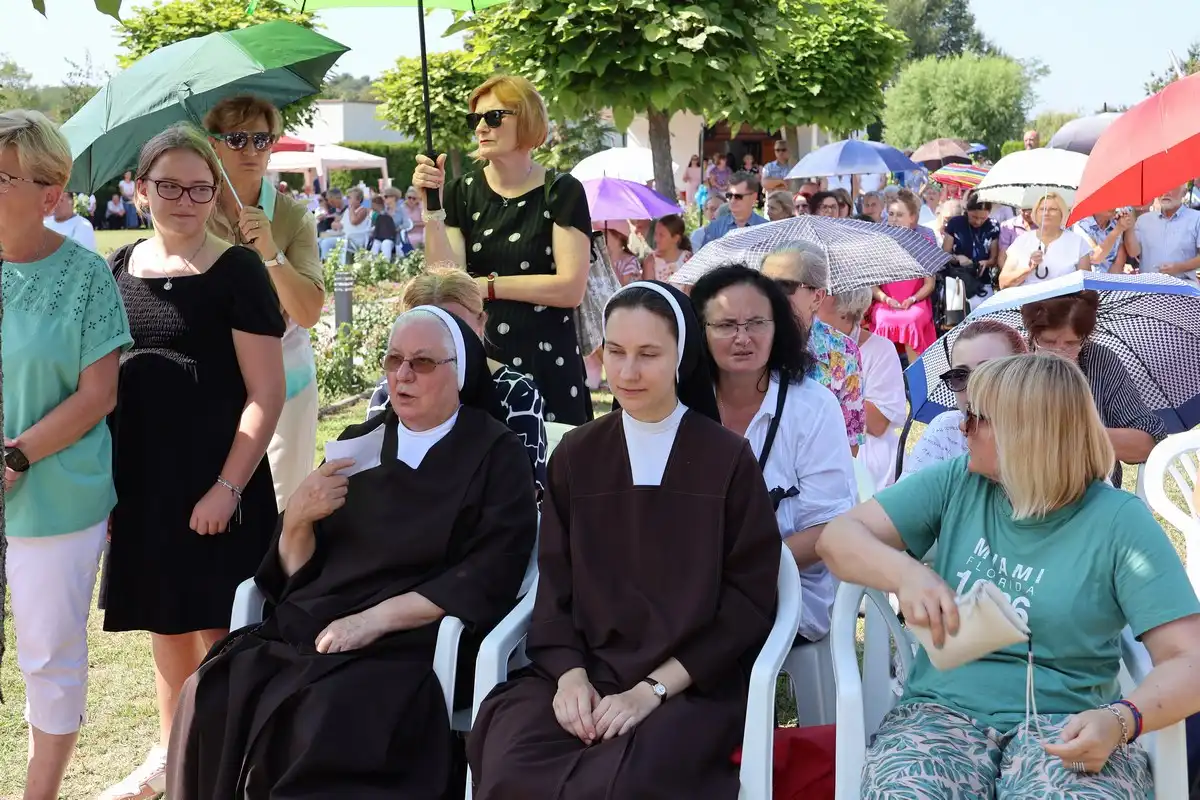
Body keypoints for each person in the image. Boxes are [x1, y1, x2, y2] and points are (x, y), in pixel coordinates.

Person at [166, 305, 539, 799]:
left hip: (409, 642)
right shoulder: (358, 443)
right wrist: (297, 519)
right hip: (316, 623)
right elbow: (292, 574)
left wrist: (374, 621)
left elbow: (490, 573)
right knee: (210, 689)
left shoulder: (496, 453)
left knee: (323, 711)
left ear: (460, 372)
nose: (403, 375)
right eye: (394, 360)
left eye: (422, 363)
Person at [816, 353, 1200, 799]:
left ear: (1027, 432)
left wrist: (1120, 720)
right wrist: (905, 574)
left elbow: (1189, 660)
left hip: (1068, 722)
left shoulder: (1118, 521)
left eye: (976, 418)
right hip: (941, 715)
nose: (962, 428)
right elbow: (837, 538)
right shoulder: (959, 482)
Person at [467, 280, 781, 799]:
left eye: (648, 354)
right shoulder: (576, 455)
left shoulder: (726, 461)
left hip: (689, 687)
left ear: (682, 356)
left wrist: (651, 690)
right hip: (583, 673)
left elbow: (748, 603)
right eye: (615, 352)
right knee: (512, 757)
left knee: (629, 780)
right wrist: (570, 678)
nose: (628, 372)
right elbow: (555, 587)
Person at [101, 125, 287, 800]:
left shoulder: (238, 271)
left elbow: (267, 393)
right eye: (170, 186)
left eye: (200, 188)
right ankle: (172, 755)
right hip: (144, 485)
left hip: (219, 484)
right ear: (141, 190)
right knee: (166, 621)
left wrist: (227, 488)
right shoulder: (117, 269)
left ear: (217, 195)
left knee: (223, 632)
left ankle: (234, 766)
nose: (185, 200)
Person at [0, 109, 132, 800]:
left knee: (48, 658)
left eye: (1, 177)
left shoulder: (85, 277)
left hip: (55, 495)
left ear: (49, 192)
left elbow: (98, 394)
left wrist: (16, 458)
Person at [414, 74, 593, 425]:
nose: (481, 127)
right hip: (482, 363)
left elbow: (571, 288)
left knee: (553, 458)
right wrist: (432, 209)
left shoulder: (561, 190)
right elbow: (445, 284)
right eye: (475, 119)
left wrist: (487, 286)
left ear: (527, 119)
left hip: (548, 363)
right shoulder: (461, 192)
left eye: (494, 117)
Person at [692, 266, 856, 642]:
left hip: (789, 589)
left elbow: (828, 528)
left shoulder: (813, 407)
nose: (742, 338)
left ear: (777, 327)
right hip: (690, 584)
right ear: (700, 330)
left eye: (756, 323)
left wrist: (739, 571)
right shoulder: (682, 404)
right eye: (726, 325)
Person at [204, 95, 326, 514]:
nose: (251, 150)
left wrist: (271, 252)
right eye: (237, 139)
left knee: (280, 506)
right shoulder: (195, 211)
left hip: (285, 380)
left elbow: (308, 312)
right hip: (213, 379)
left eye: (261, 139)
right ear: (213, 145)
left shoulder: (293, 217)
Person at [366, 265, 548, 498]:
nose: (441, 337)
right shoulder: (388, 393)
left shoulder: (515, 393)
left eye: (454, 325)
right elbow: (369, 483)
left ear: (481, 323)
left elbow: (527, 494)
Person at [1020, 291, 1166, 482]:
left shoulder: (1099, 361)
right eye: (1048, 342)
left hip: (1096, 490)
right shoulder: (1014, 361)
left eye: (1071, 343)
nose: (1058, 353)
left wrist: (1074, 436)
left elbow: (1146, 444)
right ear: (1032, 335)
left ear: (1085, 338)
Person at [761, 244, 867, 455]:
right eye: (763, 284)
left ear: (817, 297)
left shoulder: (843, 352)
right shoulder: (747, 342)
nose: (770, 295)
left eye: (784, 286)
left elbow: (849, 442)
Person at [902, 319, 1027, 479]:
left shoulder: (1050, 435)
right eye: (960, 376)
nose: (973, 387)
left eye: (988, 373)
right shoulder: (947, 430)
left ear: (1025, 375)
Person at [821, 287, 906, 492]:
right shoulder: (802, 349)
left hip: (867, 457)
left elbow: (878, 424)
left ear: (844, 308)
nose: (815, 299)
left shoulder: (881, 350)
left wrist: (835, 380)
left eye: (823, 293)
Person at [871, 189, 937, 361]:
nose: (894, 219)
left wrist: (913, 299)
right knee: (883, 320)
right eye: (891, 214)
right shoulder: (879, 244)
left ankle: (915, 374)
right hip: (885, 303)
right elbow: (873, 286)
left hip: (917, 302)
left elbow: (929, 284)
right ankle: (885, 372)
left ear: (912, 218)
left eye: (899, 215)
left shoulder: (924, 243)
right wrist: (886, 299)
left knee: (911, 321)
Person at [999, 192, 1091, 289]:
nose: (1046, 213)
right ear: (1035, 213)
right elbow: (1004, 284)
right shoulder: (1022, 240)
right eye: (1042, 209)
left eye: (1053, 209)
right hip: (1028, 298)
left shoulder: (1077, 242)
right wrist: (1028, 269)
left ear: (1062, 214)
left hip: (1065, 298)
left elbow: (1087, 286)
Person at [1123, 185, 1200, 282]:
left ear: (1184, 192)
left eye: (1172, 188)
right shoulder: (1143, 220)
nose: (1165, 193)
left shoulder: (1196, 218)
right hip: (1148, 285)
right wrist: (1129, 226)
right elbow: (1133, 252)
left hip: (1183, 284)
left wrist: (1179, 267)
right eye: (1161, 188)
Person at [943, 193, 1001, 291]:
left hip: (984, 282)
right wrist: (957, 258)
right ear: (967, 211)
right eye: (974, 217)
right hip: (957, 280)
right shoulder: (955, 223)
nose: (978, 222)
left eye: (983, 218)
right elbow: (944, 254)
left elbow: (994, 259)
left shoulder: (993, 226)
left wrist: (985, 263)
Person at [694, 170, 767, 248]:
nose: (732, 201)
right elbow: (705, 255)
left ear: (753, 197)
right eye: (729, 196)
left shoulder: (766, 229)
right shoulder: (715, 227)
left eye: (738, 196)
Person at [1072, 208, 1131, 273]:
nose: (1112, 206)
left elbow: (1119, 260)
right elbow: (1095, 258)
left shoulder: (1117, 222)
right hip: (1089, 276)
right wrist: (1117, 230)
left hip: (1112, 276)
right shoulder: (1082, 225)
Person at [645, 213, 691, 281]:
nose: (656, 239)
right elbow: (648, 286)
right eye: (656, 234)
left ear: (676, 238)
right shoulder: (651, 260)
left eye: (661, 235)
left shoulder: (688, 259)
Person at [368, 194, 398, 259]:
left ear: (377, 204)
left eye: (372, 205)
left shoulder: (389, 213)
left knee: (386, 243)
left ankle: (386, 263)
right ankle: (371, 263)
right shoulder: (376, 215)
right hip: (379, 238)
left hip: (391, 239)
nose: (371, 207)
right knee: (375, 244)